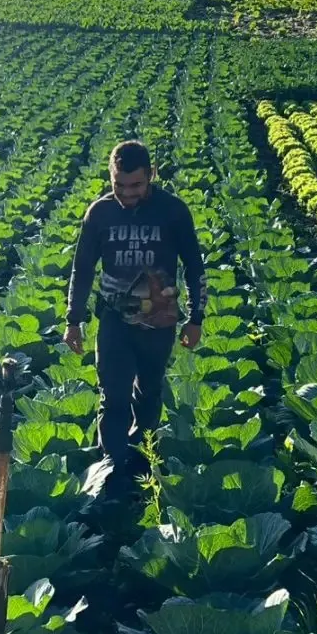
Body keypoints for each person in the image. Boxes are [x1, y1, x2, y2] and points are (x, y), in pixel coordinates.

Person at [63, 140, 206, 495]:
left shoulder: (172, 211)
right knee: (112, 396)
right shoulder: (100, 213)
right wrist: (73, 320)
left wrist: (196, 317)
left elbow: (194, 265)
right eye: (119, 185)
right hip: (114, 318)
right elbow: (82, 269)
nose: (127, 193)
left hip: (159, 319)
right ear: (110, 177)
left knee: (149, 392)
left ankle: (142, 466)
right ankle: (111, 472)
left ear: (151, 175)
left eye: (136, 185)